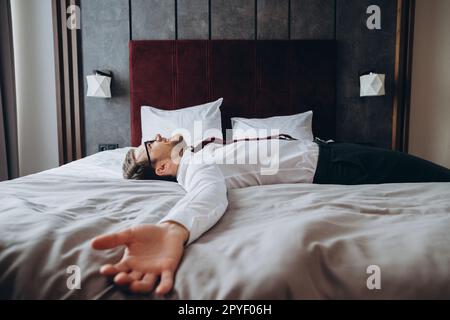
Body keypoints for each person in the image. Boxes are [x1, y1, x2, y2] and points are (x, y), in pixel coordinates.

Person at [91, 133, 450, 296]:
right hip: (336, 165)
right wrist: (174, 228)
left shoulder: (202, 152)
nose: (154, 136)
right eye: (150, 145)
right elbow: (206, 194)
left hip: (333, 154)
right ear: (165, 166)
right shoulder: (196, 165)